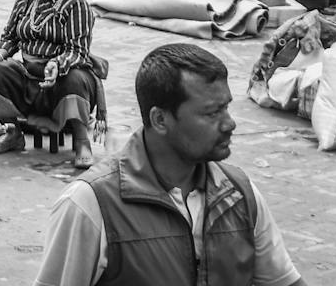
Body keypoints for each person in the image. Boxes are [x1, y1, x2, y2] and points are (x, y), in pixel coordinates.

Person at [33, 43, 307, 286]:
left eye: (226, 107)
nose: (229, 123)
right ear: (160, 120)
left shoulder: (240, 194)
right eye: (212, 112)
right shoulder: (91, 205)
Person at [0, 0, 101, 167]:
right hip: (29, 75)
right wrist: (2, 53)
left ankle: (82, 141)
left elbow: (77, 51)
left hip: (62, 76)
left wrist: (57, 64)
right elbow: (11, 36)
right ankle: (13, 132)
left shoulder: (77, 5)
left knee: (75, 79)